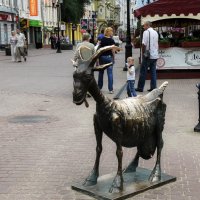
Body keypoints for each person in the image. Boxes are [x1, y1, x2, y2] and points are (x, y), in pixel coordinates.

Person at [136, 21, 159, 92]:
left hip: (148, 55)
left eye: (144, 26)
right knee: (153, 72)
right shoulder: (155, 32)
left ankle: (140, 87)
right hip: (155, 54)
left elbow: (144, 44)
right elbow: (156, 43)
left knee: (143, 71)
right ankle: (153, 87)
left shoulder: (146, 32)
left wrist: (143, 53)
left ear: (147, 25)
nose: (143, 27)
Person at [97, 27, 115, 94]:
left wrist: (98, 59)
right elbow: (113, 50)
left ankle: (99, 88)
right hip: (109, 57)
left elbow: (99, 49)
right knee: (110, 73)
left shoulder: (102, 40)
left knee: (101, 73)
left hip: (102, 57)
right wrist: (113, 58)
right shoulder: (111, 40)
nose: (112, 32)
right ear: (109, 32)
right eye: (112, 31)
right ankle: (110, 89)